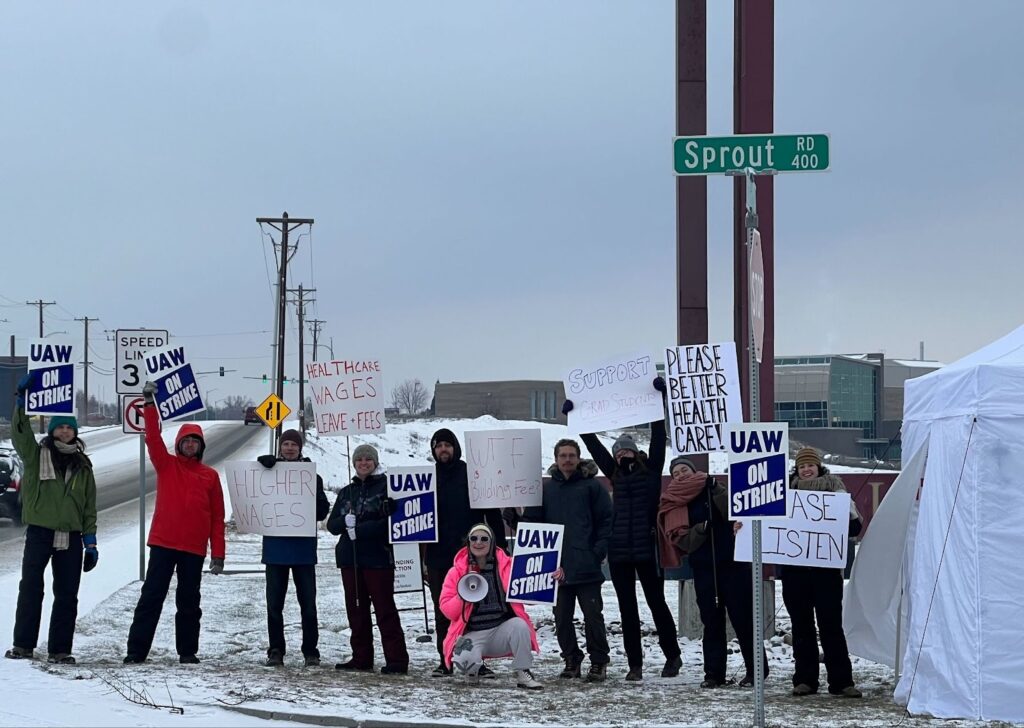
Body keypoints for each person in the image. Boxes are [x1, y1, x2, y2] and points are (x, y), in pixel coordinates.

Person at [566, 377, 682, 681]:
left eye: (624, 451)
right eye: (617, 452)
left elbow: (659, 435)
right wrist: (577, 418)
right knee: (627, 610)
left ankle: (673, 657)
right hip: (619, 552)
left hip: (646, 550)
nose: (620, 455)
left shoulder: (652, 470)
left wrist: (660, 401)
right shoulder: (615, 474)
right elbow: (594, 445)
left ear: (634, 452)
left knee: (657, 605)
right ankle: (635, 665)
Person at [124, 381, 226, 665]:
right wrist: (148, 404)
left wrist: (218, 553)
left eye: (195, 441)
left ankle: (187, 651)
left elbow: (217, 517)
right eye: (186, 440)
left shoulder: (210, 476)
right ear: (179, 444)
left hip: (194, 549)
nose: (190, 444)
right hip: (163, 543)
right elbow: (152, 437)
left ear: (201, 446)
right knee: (151, 598)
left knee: (189, 603)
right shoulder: (166, 464)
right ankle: (136, 651)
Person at [5, 374, 97, 664]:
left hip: (70, 537)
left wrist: (90, 542)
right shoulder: (36, 455)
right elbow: (20, 433)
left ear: (75, 433)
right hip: (39, 533)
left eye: (70, 429)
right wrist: (21, 402)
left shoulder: (83, 467)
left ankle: (60, 650)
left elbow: (89, 508)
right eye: (61, 428)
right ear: (53, 431)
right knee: (31, 587)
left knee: (67, 595)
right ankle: (23, 645)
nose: (65, 433)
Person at [658, 455, 767, 688]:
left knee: (744, 619)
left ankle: (756, 670)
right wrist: (702, 529)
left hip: (733, 564)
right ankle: (713, 674)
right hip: (704, 567)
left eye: (684, 470)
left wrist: (716, 489)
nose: (681, 475)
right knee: (712, 622)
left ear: (693, 470)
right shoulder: (674, 502)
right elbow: (682, 541)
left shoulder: (714, 487)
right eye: (675, 473)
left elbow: (734, 511)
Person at [514, 438, 612, 682]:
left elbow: (606, 521)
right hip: (556, 569)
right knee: (562, 618)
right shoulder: (547, 489)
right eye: (563, 456)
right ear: (556, 459)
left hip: (586, 566)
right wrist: (517, 518)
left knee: (593, 617)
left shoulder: (592, 487)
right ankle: (571, 658)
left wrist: (597, 551)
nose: (567, 460)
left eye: (571, 455)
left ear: (578, 458)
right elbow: (534, 525)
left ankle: (599, 661)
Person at [423, 428, 508, 677]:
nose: (443, 450)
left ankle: (475, 662)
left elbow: (491, 513)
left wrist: (499, 548)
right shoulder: (427, 477)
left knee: (474, 611)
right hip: (438, 557)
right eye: (438, 446)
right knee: (444, 610)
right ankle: (446, 660)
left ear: (455, 448)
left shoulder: (473, 474)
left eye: (447, 445)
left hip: (472, 555)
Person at [781, 447, 863, 698]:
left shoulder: (836, 492)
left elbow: (855, 528)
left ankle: (842, 681)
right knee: (801, 626)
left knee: (831, 626)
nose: (806, 470)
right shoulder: (785, 495)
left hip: (826, 573)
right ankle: (805, 680)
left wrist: (847, 512)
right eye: (802, 466)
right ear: (797, 469)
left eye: (811, 466)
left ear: (819, 468)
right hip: (795, 572)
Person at [326, 443, 409, 674]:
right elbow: (332, 525)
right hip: (350, 559)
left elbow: (390, 523)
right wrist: (345, 523)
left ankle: (397, 659)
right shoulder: (346, 492)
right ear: (354, 463)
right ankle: (361, 658)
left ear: (375, 462)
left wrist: (361, 530)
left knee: (385, 609)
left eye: (368, 459)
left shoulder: (387, 488)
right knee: (356, 609)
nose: (363, 463)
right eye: (359, 459)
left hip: (378, 558)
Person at [256, 429, 330, 667]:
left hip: (303, 550)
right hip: (276, 549)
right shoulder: (267, 473)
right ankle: (276, 650)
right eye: (285, 444)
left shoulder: (312, 476)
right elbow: (254, 498)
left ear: (300, 448)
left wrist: (317, 497)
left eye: (293, 444)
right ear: (280, 447)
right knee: (274, 605)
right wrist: (261, 467)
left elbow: (320, 513)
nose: (289, 448)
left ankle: (311, 651)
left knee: (308, 605)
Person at [439, 524, 542, 689]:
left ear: (492, 542)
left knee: (520, 626)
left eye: (484, 539)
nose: (478, 542)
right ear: (468, 542)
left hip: (501, 630)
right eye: (474, 538)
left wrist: (551, 576)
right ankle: (472, 672)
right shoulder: (457, 572)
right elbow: (447, 611)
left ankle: (523, 671)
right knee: (463, 659)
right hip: (472, 633)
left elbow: (531, 593)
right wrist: (463, 594)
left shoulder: (509, 566)